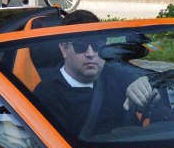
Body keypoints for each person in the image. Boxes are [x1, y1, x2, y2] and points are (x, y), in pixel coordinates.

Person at [31, 9, 160, 134]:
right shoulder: (47, 94)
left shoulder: (116, 72)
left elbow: (148, 81)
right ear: (64, 49)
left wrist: (146, 85)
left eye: (97, 45)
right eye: (80, 46)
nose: (90, 53)